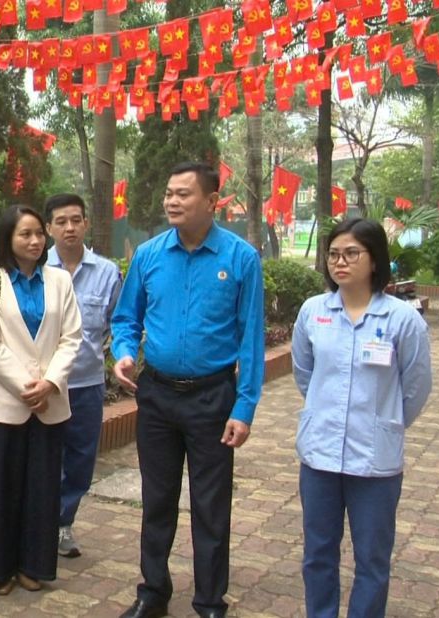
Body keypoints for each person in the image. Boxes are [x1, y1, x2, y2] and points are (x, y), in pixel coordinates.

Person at [111, 161, 264, 618]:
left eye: (183, 194)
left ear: (212, 201)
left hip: (212, 398)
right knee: (157, 500)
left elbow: (251, 339)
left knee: (210, 506)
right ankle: (152, 592)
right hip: (156, 395)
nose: (172, 201)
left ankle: (210, 599)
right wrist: (122, 351)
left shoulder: (240, 259)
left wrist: (245, 406)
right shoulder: (149, 255)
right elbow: (126, 317)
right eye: (169, 194)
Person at [291, 218, 432, 618]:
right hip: (319, 456)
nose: (341, 262)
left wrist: (385, 421)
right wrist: (326, 412)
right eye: (334, 254)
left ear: (374, 261)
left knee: (372, 558)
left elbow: (416, 385)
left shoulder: (402, 319)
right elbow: (305, 373)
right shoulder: (314, 311)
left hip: (375, 461)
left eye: (352, 253)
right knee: (318, 553)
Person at [0, 205, 82, 595]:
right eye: (25, 234)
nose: (35, 241)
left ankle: (35, 564)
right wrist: (26, 386)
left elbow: (73, 337)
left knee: (42, 487)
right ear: (9, 238)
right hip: (4, 403)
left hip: (51, 403)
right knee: (2, 488)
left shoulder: (59, 281)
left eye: (39, 233)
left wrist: (50, 383)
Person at [43, 194, 123, 559]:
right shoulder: (36, 269)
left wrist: (119, 357)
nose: (69, 227)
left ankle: (61, 524)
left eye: (76, 220)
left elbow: (117, 322)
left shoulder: (107, 272)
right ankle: (36, 525)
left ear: (86, 224)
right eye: (61, 221)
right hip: (42, 387)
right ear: (48, 228)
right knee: (42, 458)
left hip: (86, 385)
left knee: (79, 461)